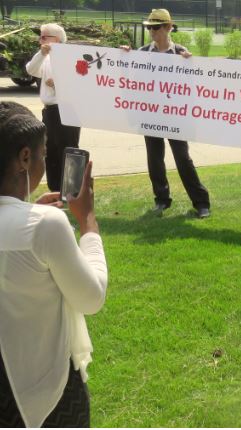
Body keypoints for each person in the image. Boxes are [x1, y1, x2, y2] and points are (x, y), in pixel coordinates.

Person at [0, 101, 107, 427]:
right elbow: (92, 298)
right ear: (24, 157)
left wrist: (27, 206)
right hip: (50, 393)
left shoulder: (36, 223)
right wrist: (88, 224)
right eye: (44, 155)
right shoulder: (44, 225)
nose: (46, 163)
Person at [121, 9, 211, 218]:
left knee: (182, 158)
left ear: (169, 27)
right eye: (149, 27)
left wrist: (191, 64)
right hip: (150, 114)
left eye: (156, 27)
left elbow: (193, 86)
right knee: (154, 158)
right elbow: (130, 81)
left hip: (175, 116)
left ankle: (201, 202)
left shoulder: (180, 53)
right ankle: (161, 199)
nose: (152, 31)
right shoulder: (142, 53)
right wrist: (124, 58)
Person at [26, 23, 80, 192]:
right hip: (49, 110)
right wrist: (41, 54)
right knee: (50, 152)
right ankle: (55, 189)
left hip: (67, 109)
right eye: (40, 36)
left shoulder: (71, 57)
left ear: (56, 39)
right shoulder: (46, 57)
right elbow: (31, 70)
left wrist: (59, 85)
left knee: (68, 151)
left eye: (44, 37)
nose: (40, 40)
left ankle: (72, 191)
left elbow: (80, 85)